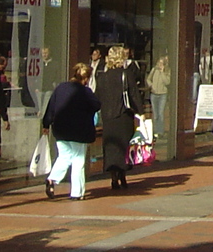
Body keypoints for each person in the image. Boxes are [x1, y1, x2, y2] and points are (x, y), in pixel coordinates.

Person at [42, 62, 101, 201]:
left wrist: (46, 124)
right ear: (85, 79)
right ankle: (77, 192)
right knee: (78, 161)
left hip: (60, 129)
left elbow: (51, 107)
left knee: (64, 156)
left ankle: (52, 179)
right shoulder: (85, 91)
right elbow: (96, 105)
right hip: (79, 131)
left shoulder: (60, 88)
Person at [95, 44, 142, 190]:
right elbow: (134, 93)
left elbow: (98, 96)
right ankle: (122, 175)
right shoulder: (125, 74)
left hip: (108, 116)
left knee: (111, 147)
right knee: (123, 147)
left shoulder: (102, 76)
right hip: (123, 115)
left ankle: (113, 176)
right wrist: (140, 112)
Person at [146, 55, 171, 145]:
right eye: (159, 63)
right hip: (154, 94)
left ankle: (160, 131)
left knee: (160, 113)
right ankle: (155, 131)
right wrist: (151, 85)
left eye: (162, 63)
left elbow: (167, 82)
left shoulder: (167, 72)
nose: (160, 65)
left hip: (162, 94)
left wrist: (162, 72)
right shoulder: (154, 70)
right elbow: (148, 79)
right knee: (155, 114)